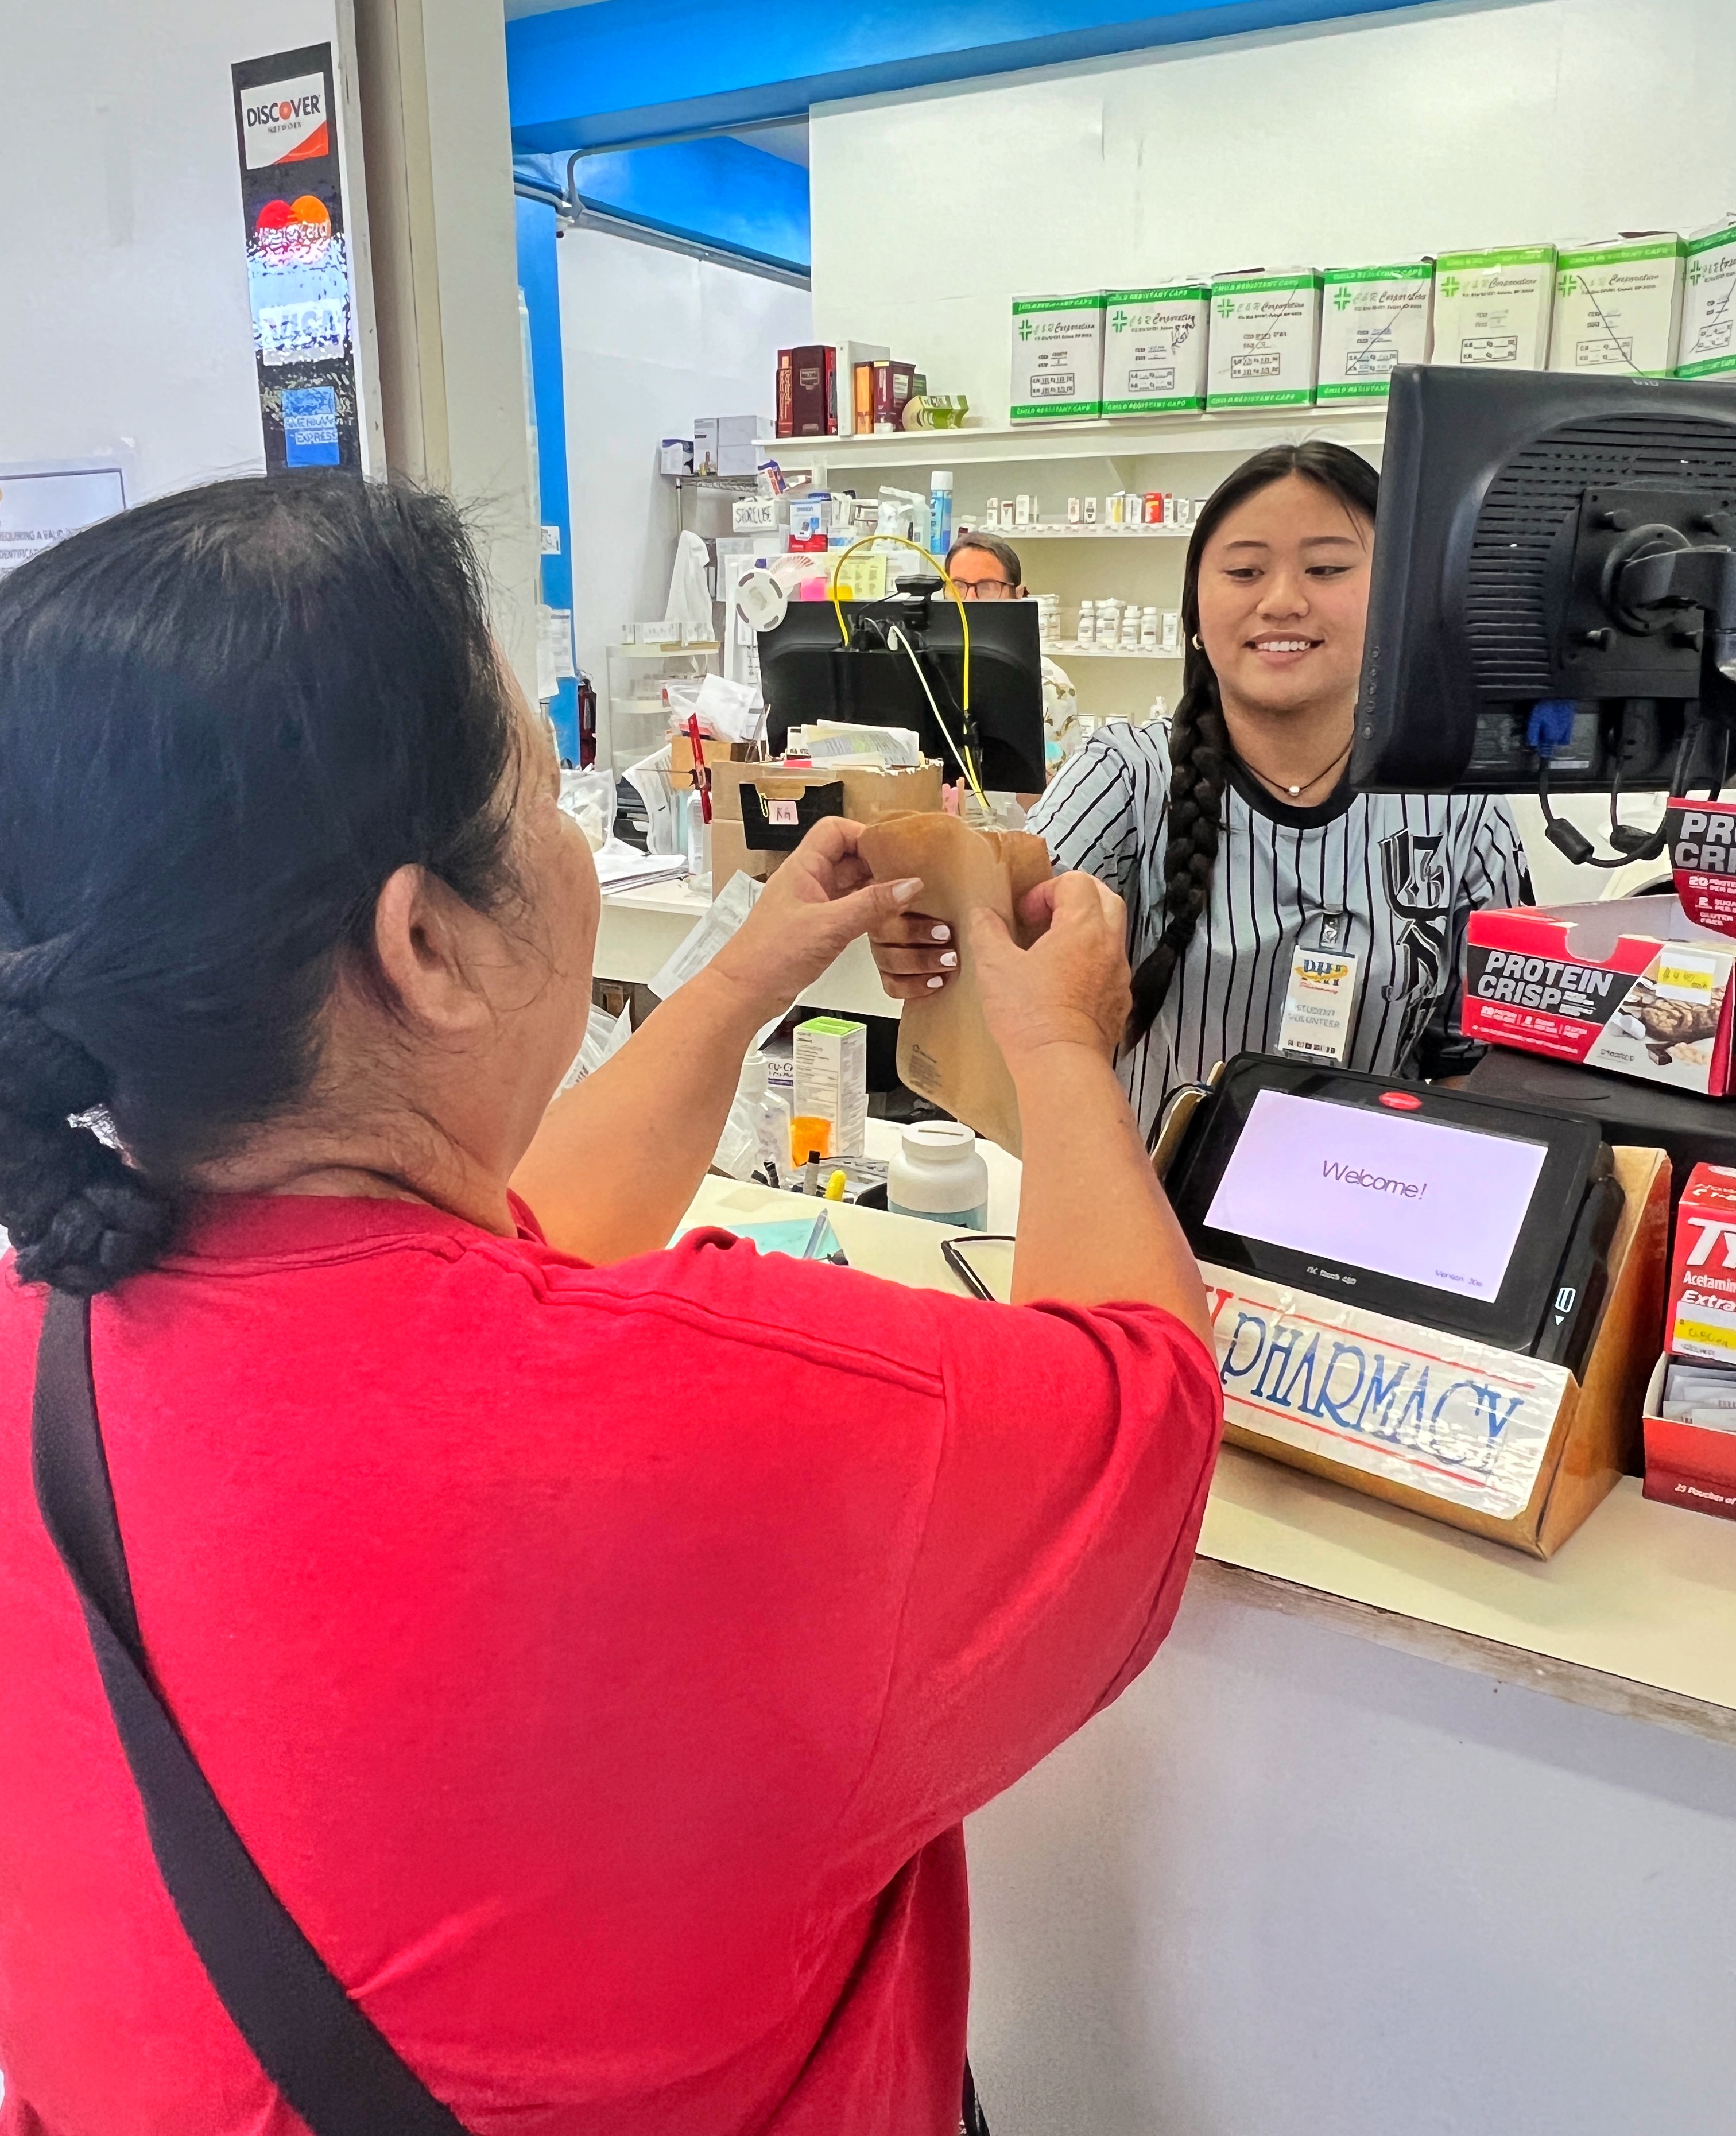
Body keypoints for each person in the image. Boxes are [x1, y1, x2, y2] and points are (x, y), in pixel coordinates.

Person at [0, 474, 1220, 2136]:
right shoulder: (738, 1431)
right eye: (545, 800)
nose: (578, 841)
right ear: (427, 943)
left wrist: (742, 971)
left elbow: (498, 1257)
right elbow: (1144, 1407)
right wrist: (1064, 1046)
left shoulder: (60, 1337)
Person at [877, 443, 1530, 1138]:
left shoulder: (1459, 808)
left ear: (1398, 599)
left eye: (1328, 568)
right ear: (1194, 609)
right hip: (1143, 1212)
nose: (1282, 601)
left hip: (1360, 1207)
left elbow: (1478, 1063)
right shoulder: (1126, 775)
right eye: (1245, 571)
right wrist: (929, 935)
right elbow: (1002, 944)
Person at [944, 530, 1079, 777]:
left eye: (987, 587)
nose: (970, 600)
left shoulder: (1049, 683)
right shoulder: (924, 670)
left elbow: (1058, 794)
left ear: (1017, 595)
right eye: (959, 586)